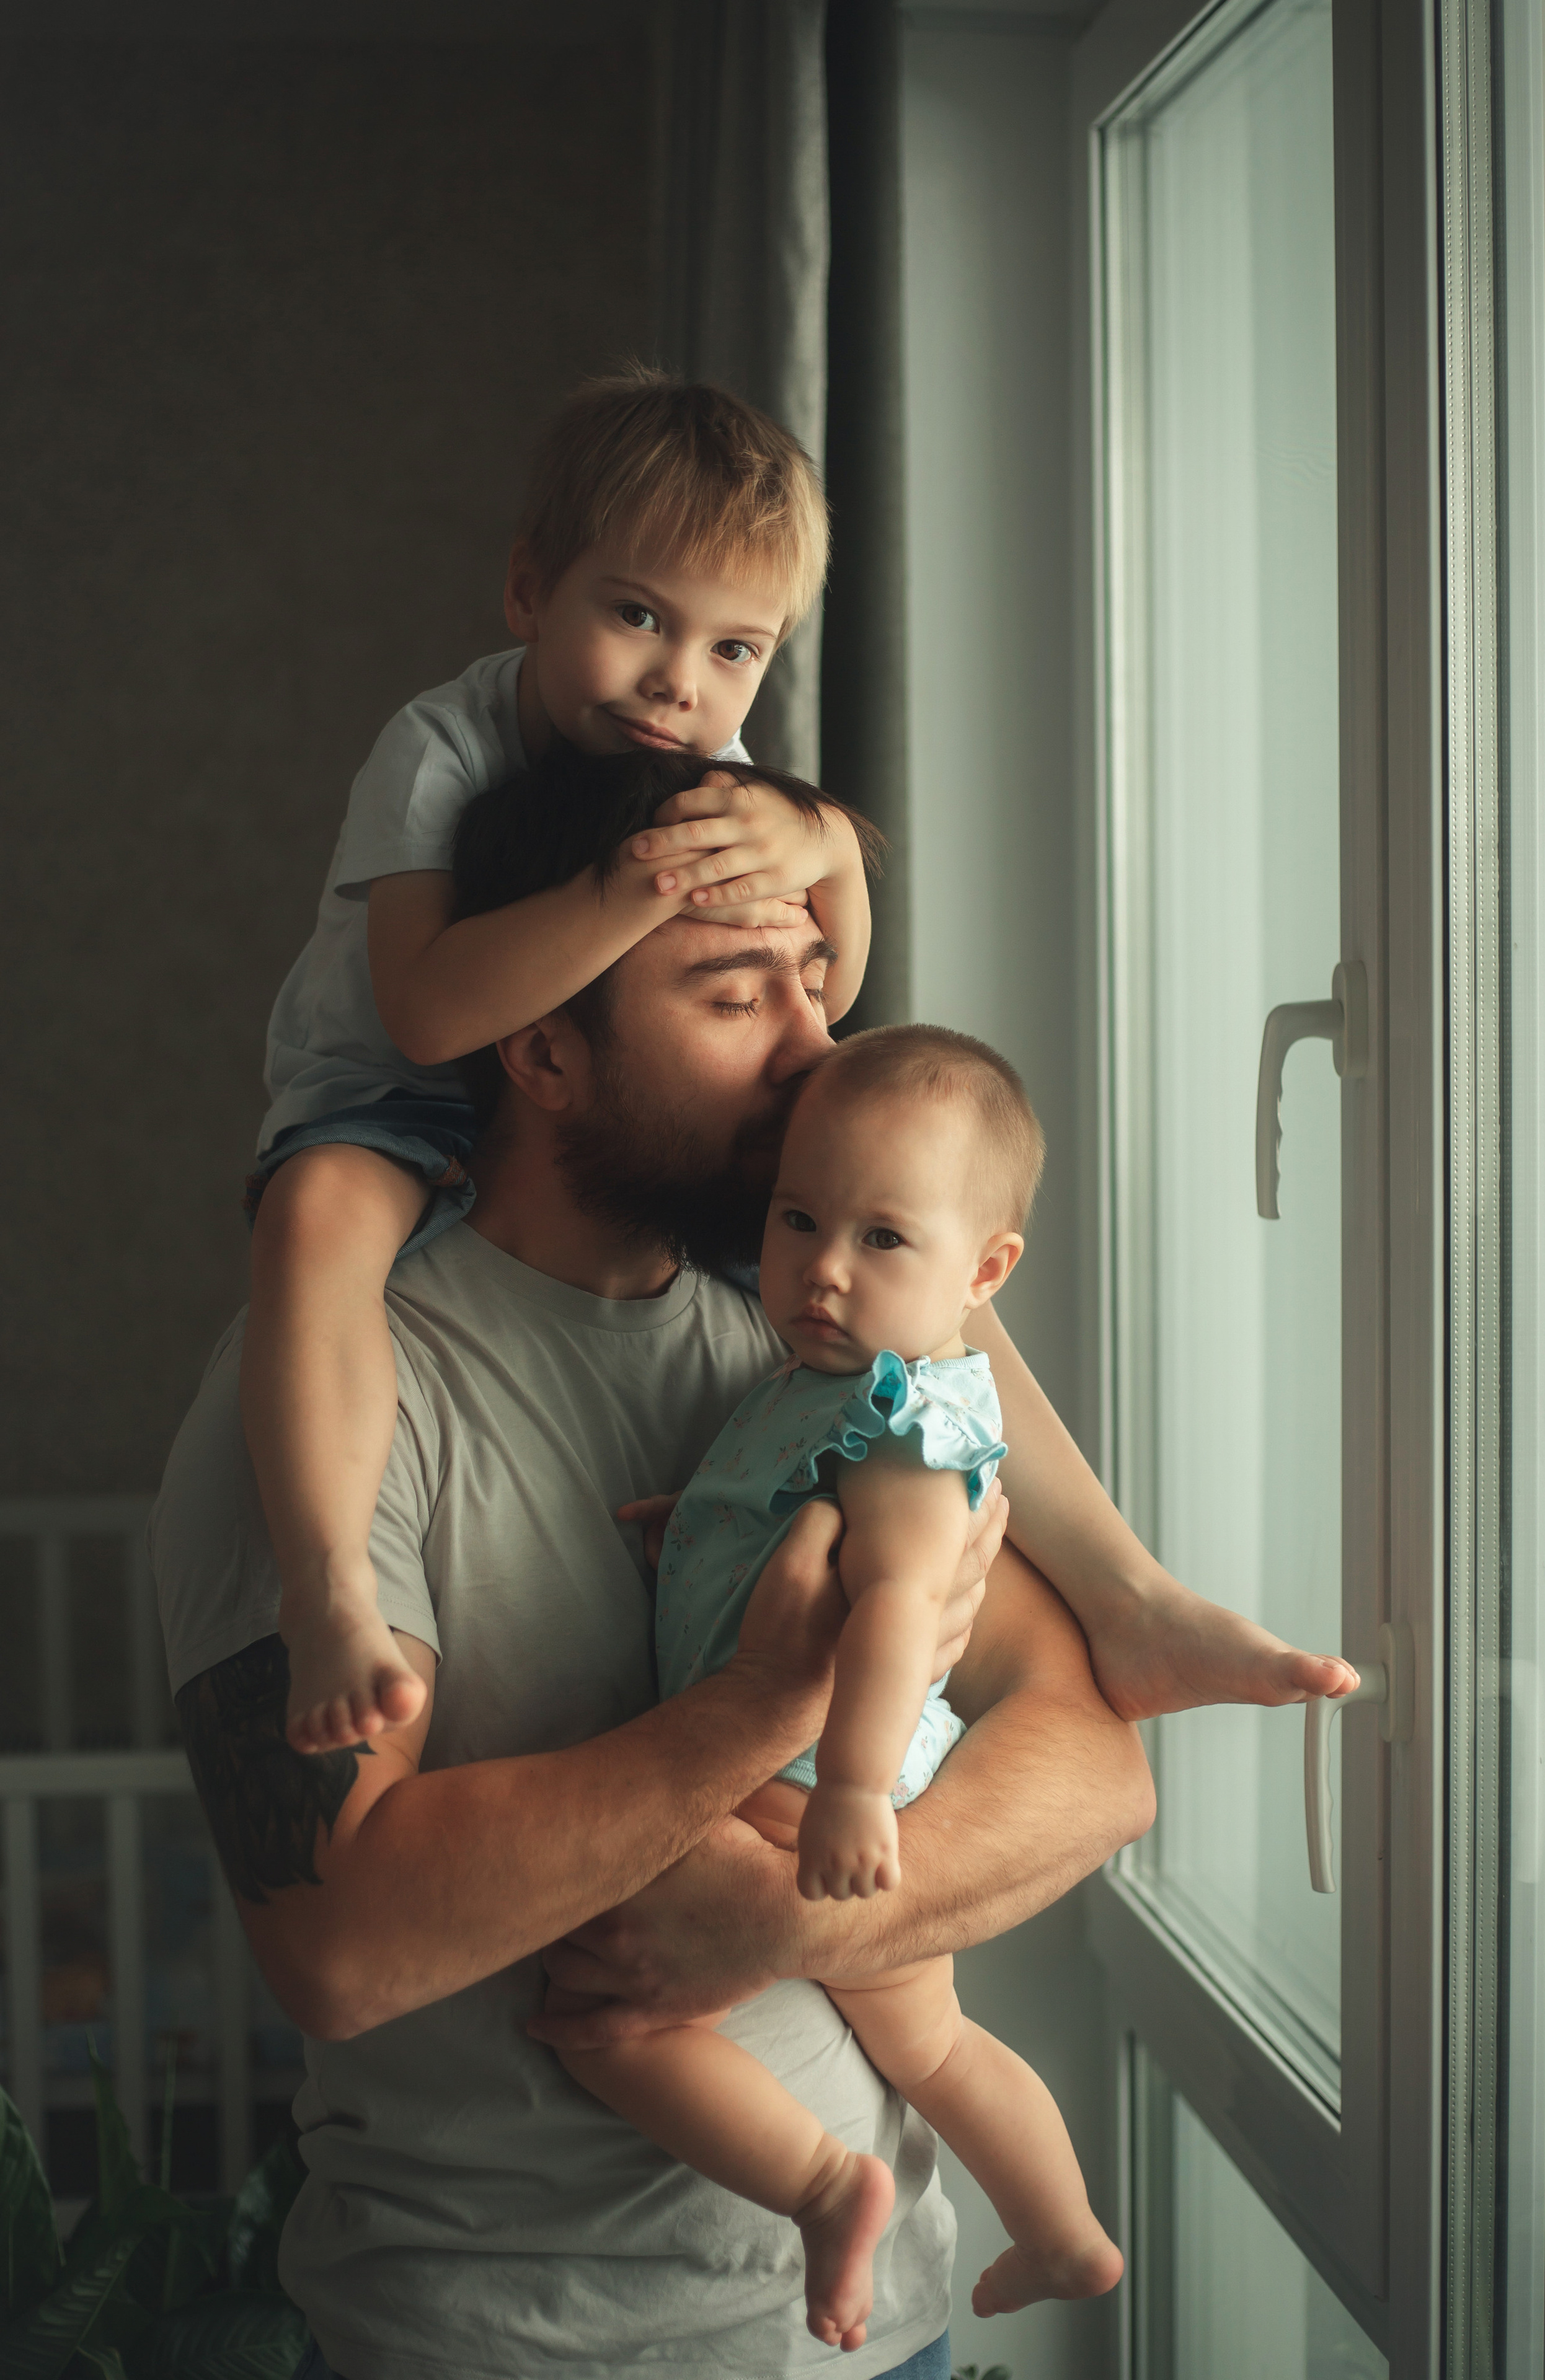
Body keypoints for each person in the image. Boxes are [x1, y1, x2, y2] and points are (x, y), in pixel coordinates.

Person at [153, 748, 1156, 2380]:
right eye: (735, 993)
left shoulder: (819, 1350)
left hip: (885, 2335)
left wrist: (786, 1928)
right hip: (508, 2347)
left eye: (817, 978)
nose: (815, 1049)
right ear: (544, 1046)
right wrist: (766, 1704)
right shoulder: (325, 1408)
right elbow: (338, 1947)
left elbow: (1099, 1767)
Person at [240, 368, 870, 1756]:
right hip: (392, 1090)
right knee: (316, 1219)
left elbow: (840, 957)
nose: (678, 682)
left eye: (734, 649)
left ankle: (1112, 1576)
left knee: (890, 1199)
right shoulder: (436, 749)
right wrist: (633, 897)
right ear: (530, 591)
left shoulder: (711, 752)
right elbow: (425, 1009)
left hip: (549, 1081)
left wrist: (823, 847)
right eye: (638, 615)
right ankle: (331, 1586)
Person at [560, 1026, 1123, 2355]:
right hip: (801, 1779)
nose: (821, 1268)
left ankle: (827, 2186)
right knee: (929, 2049)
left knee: (601, 2016)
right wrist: (699, 1528)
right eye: (798, 1219)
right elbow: (786, 1532)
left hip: (814, 1789)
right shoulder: (817, 1384)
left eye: (882, 1240)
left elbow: (895, 1613)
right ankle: (1060, 2234)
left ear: (981, 1272)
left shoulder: (909, 1430)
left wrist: (859, 1792)